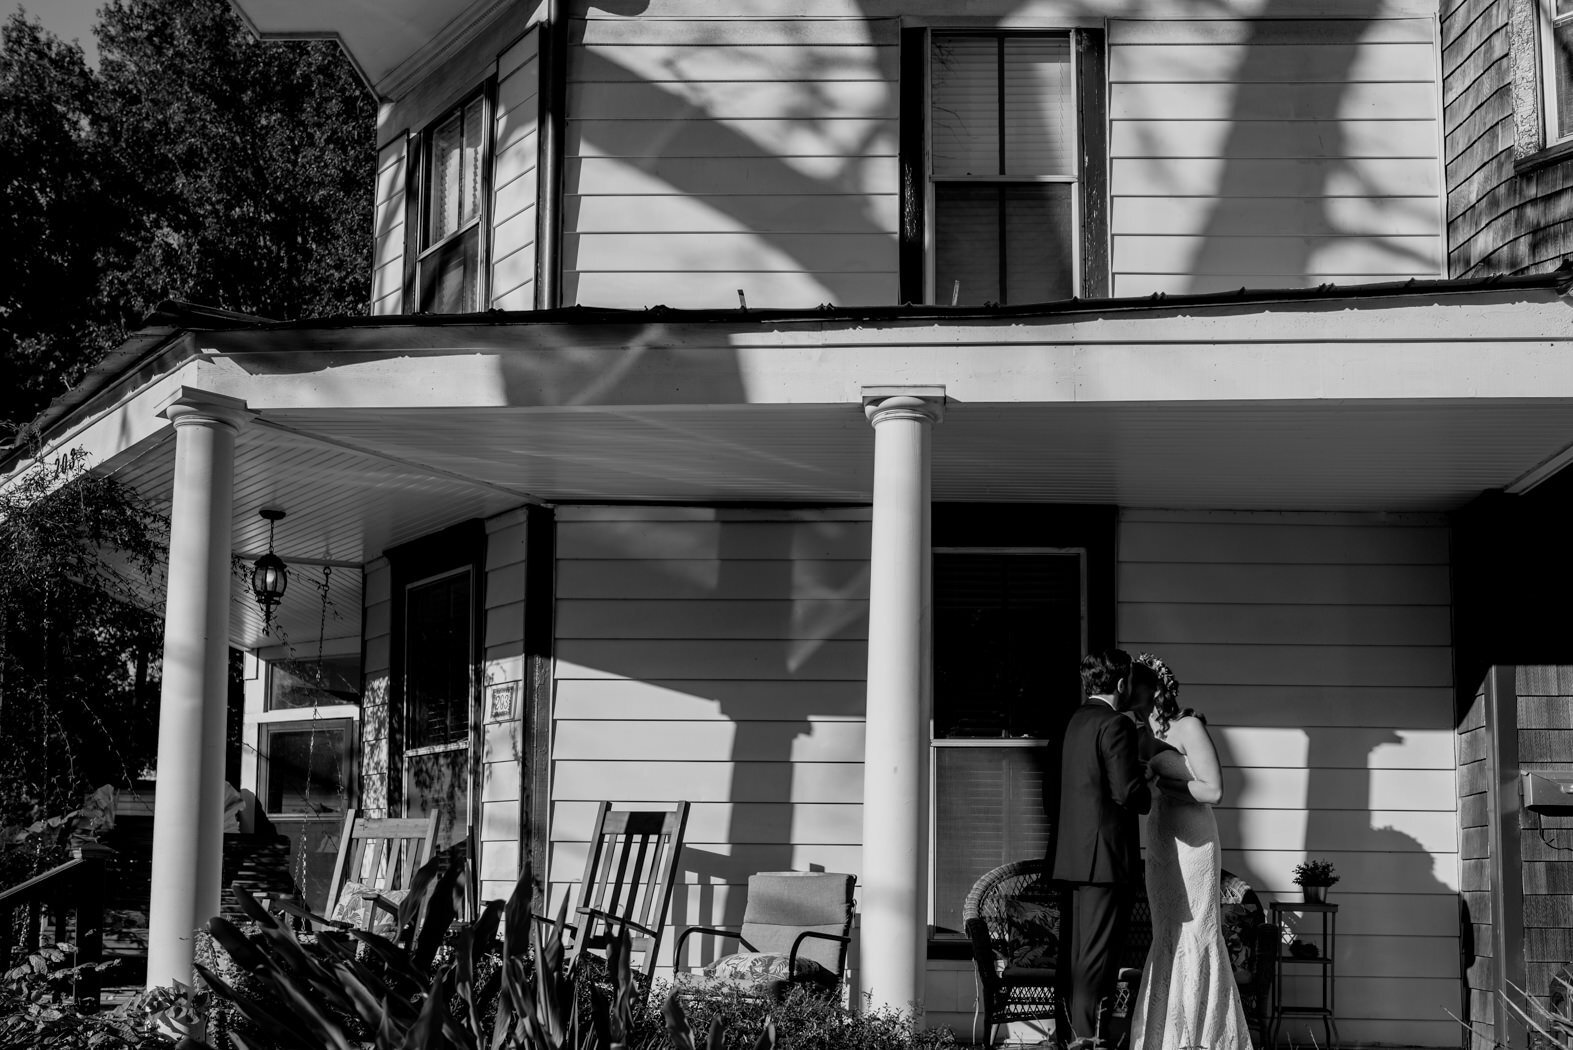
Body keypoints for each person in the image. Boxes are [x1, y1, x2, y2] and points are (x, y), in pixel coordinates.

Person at [1128, 652, 1250, 1050]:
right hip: (1162, 838)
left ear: (1154, 688)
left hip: (1194, 840)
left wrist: (1165, 784)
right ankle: (1163, 1033)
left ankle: (1203, 1033)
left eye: (1134, 682)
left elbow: (1213, 790)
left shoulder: (1188, 726)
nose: (1126, 689)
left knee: (1197, 927)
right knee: (1167, 929)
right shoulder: (1137, 730)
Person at [1052, 649, 1152, 1048]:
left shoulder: (1069, 723)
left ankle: (1070, 1035)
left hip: (1069, 857)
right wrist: (1148, 786)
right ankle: (1087, 1041)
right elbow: (1126, 792)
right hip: (1104, 861)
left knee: (1074, 958)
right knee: (1097, 960)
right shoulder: (1116, 725)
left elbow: (1052, 791)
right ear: (1122, 683)